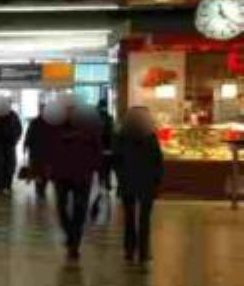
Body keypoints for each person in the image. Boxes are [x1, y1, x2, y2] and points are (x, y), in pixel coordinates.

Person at [46, 98, 104, 261]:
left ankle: (74, 243)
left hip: (82, 174)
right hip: (61, 174)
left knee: (80, 208)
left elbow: (97, 150)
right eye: (67, 109)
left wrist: (97, 171)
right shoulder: (55, 127)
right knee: (61, 206)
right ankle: (70, 235)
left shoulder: (89, 128)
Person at [113, 106, 164, 263]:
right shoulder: (150, 137)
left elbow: (116, 160)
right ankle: (143, 251)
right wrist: (157, 180)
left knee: (129, 218)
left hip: (127, 181)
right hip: (147, 182)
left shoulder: (121, 137)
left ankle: (129, 249)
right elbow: (158, 160)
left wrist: (120, 177)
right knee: (144, 219)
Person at [23, 104, 52, 199]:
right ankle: (39, 189)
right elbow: (29, 135)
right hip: (36, 151)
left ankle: (41, 189)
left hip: (44, 151)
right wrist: (25, 145)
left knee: (44, 172)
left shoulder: (50, 122)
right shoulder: (35, 122)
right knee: (38, 171)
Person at [97, 99, 117, 191]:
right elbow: (112, 133)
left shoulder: (95, 118)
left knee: (100, 167)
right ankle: (107, 182)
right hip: (108, 147)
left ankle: (101, 182)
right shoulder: (110, 118)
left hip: (98, 148)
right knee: (107, 167)